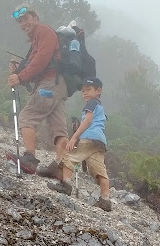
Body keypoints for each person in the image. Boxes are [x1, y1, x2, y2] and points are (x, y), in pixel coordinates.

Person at [7, 4, 68, 176]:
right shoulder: (35, 40)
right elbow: (37, 64)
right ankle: (61, 168)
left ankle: (30, 159)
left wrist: (20, 76)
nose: (23, 23)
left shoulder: (44, 32)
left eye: (26, 18)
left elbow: (41, 60)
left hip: (49, 83)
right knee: (58, 128)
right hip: (57, 85)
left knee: (27, 116)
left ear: (36, 17)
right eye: (20, 21)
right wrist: (19, 70)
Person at [48, 77, 112, 212]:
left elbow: (88, 121)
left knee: (69, 157)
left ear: (98, 90)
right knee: (99, 170)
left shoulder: (91, 103)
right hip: (100, 141)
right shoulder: (100, 106)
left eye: (88, 89)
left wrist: (74, 137)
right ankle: (105, 200)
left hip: (89, 137)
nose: (85, 93)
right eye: (83, 91)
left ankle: (66, 185)